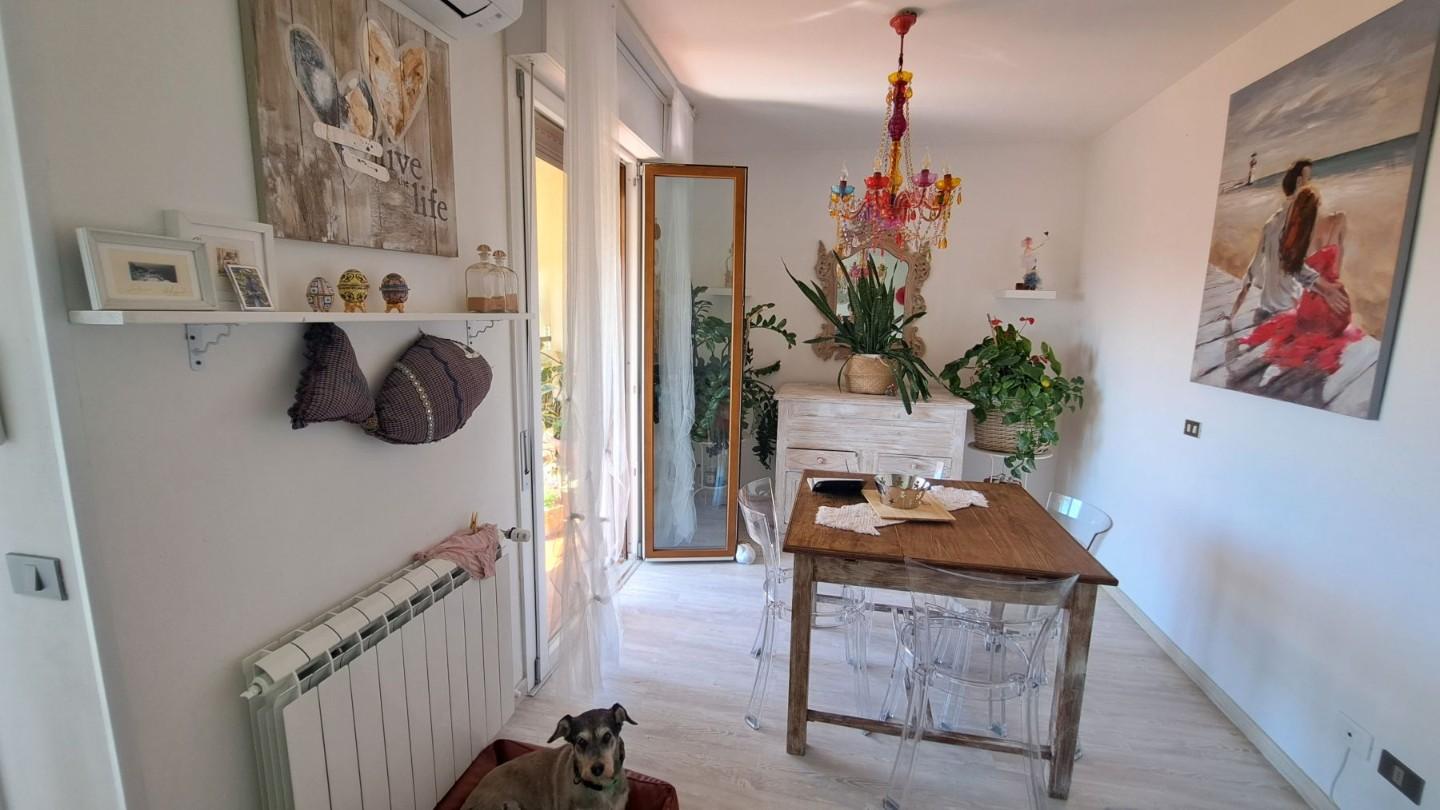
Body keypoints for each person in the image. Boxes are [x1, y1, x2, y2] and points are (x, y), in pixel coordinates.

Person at [1239, 186, 1362, 383]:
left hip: (1310, 309)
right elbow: (1336, 267)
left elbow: (1295, 269)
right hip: (1338, 306)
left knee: (1299, 324)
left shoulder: (1301, 239)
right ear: (1319, 203)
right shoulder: (1339, 219)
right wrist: (1329, 287)